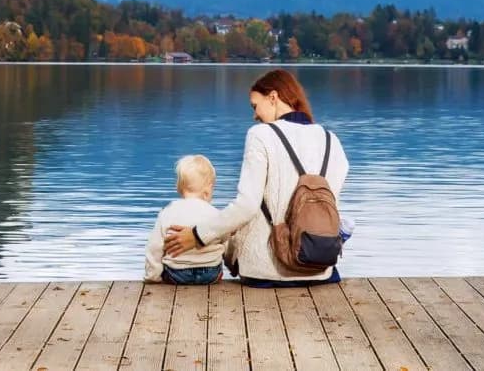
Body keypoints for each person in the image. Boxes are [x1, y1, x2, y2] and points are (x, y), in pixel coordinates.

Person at [164, 69, 349, 287]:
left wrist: (197, 236)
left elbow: (247, 206)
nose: (255, 115)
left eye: (255, 106)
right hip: (318, 269)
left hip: (266, 272)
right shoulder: (331, 141)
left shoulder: (261, 135)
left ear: (273, 97)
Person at [144, 154, 227, 284]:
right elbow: (227, 243)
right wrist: (233, 266)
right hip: (211, 274)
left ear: (179, 187)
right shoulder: (216, 214)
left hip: (176, 274)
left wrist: (153, 275)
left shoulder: (168, 212)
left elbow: (155, 247)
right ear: (208, 191)